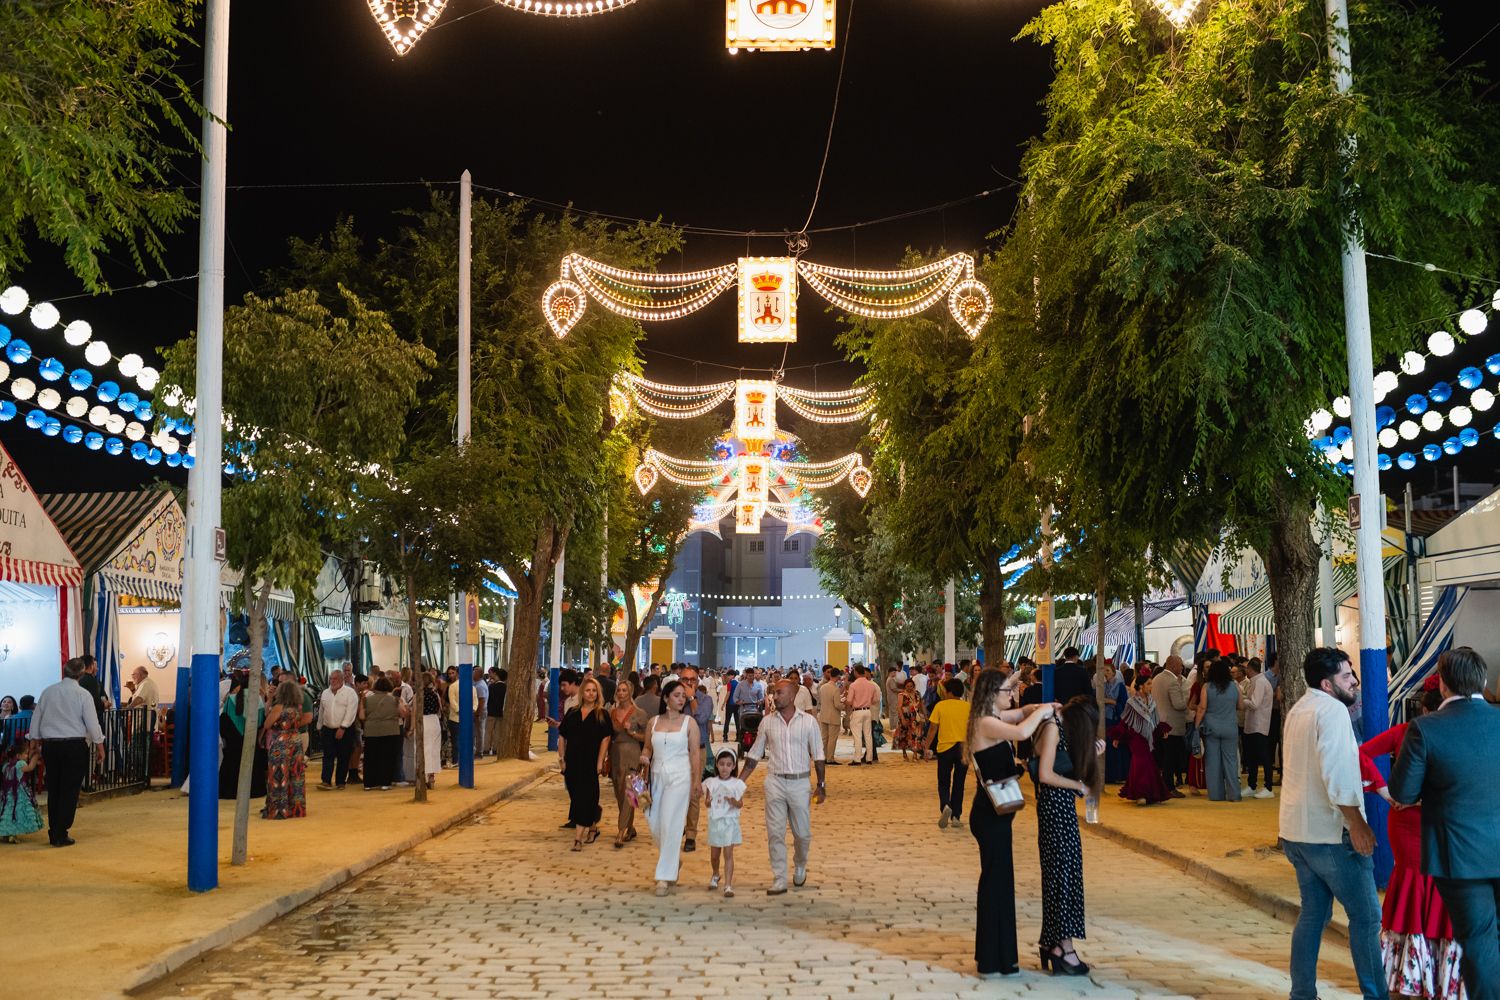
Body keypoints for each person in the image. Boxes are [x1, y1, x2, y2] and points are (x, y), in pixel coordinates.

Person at [1391, 647, 1500, 1000]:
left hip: (1459, 857)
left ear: (1444, 688)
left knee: (1479, 939)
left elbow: (1403, 793)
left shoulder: (1425, 729)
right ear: (1483, 682)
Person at [1279, 647, 1387, 1000]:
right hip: (1330, 834)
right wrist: (1356, 823)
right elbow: (1337, 773)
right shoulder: (1333, 711)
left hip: (1297, 832)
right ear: (1327, 684)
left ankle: (1303, 994)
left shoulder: (1299, 709)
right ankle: (1376, 995)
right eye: (1346, 676)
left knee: (1313, 914)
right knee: (1368, 917)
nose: (1354, 680)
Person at [1362, 683, 1466, 1000]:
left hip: (1436, 820)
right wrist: (1384, 793)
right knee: (1416, 882)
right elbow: (1361, 753)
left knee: (1434, 883)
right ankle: (1419, 974)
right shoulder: (1409, 731)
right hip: (1411, 822)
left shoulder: (1421, 730)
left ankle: (1422, 974)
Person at [966, 668, 1057, 978]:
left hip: (997, 817)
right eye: (1007, 691)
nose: (1012, 695)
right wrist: (1042, 710)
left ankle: (999, 955)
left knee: (1000, 884)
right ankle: (993, 958)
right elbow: (1021, 732)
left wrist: (1038, 707)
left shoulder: (993, 717)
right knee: (995, 885)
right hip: (989, 816)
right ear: (992, 694)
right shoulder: (986, 722)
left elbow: (1020, 715)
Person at [1032, 694, 1099, 976]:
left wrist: (1091, 753)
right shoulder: (1052, 728)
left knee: (1067, 874)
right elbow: (1045, 774)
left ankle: (1052, 942)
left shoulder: (1064, 729)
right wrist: (1077, 785)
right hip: (1053, 810)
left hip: (1063, 810)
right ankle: (1064, 947)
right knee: (1062, 877)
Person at [739, 679, 826, 895]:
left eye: (779, 693)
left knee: (802, 834)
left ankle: (799, 864)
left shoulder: (808, 722)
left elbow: (819, 755)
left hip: (800, 783)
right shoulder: (767, 722)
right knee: (775, 833)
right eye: (773, 693)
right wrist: (738, 783)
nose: (775, 697)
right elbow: (754, 755)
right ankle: (779, 877)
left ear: (792, 694)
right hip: (775, 782)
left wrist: (821, 785)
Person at [27, 657, 105, 846]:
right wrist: (100, 746)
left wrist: (34, 744)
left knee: (54, 787)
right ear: (80, 673)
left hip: (51, 746)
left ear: (65, 671)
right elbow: (92, 723)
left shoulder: (48, 692)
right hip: (74, 746)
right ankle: (61, 832)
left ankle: (54, 830)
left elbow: (36, 719)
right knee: (70, 790)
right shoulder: (83, 694)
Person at [639, 680, 701, 894]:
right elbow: (648, 747)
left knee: (670, 823)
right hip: (656, 777)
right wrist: (644, 757)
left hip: (680, 777)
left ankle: (664, 877)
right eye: (676, 695)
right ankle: (673, 861)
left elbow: (695, 754)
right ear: (665, 698)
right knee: (654, 822)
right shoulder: (653, 722)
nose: (681, 699)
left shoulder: (689, 723)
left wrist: (696, 781)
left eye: (683, 696)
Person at [558, 675, 614, 851]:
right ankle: (593, 826)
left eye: (594, 691)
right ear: (583, 692)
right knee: (576, 796)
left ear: (598, 694)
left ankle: (578, 839)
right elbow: (562, 736)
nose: (591, 694)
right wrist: (561, 759)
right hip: (572, 761)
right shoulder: (573, 712)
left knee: (586, 796)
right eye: (588, 690)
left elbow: (606, 739)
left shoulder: (602, 714)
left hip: (590, 761)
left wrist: (600, 761)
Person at [1110, 674, 1172, 805]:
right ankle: (1141, 794)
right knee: (1140, 761)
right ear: (1141, 686)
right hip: (1135, 737)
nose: (1151, 687)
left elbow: (1156, 720)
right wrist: (1117, 737)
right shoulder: (1131, 702)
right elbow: (1125, 721)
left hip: (1148, 737)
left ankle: (1151, 793)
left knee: (1148, 762)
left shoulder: (1152, 701)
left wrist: (1162, 730)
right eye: (1149, 684)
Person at [261, 680, 312, 818]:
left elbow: (267, 723)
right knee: (296, 775)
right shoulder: (298, 708)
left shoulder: (279, 707)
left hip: (281, 743)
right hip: (295, 740)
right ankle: (296, 809)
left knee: (279, 775)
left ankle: (279, 809)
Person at [608, 676, 648, 849]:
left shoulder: (639, 713)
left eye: (624, 690)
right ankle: (630, 827)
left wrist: (632, 733)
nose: (621, 693)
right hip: (615, 753)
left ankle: (621, 830)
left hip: (632, 752)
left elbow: (647, 737)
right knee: (618, 791)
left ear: (630, 692)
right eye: (619, 690)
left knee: (629, 791)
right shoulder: (611, 712)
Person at [678, 666, 715, 853]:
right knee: (676, 792)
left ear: (698, 681)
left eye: (692, 679)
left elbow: (700, 719)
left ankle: (691, 834)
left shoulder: (705, 700)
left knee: (693, 792)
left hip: (696, 752)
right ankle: (678, 827)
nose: (689, 683)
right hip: (676, 752)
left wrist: (691, 698)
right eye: (685, 680)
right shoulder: (674, 699)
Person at [1195, 657, 1242, 802]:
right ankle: (1234, 794)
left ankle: (1216, 795)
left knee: (1213, 762)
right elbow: (1241, 706)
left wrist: (1196, 725)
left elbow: (1202, 707)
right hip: (1230, 727)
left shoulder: (1207, 687)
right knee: (1231, 761)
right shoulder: (1235, 686)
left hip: (1211, 729)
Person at [703, 748, 746, 898]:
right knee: (715, 855)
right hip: (715, 822)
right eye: (721, 764)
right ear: (716, 765)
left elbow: (740, 804)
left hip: (729, 822)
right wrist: (709, 801)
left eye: (728, 764)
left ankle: (728, 885)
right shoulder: (711, 783)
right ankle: (716, 873)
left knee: (728, 853)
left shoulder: (737, 784)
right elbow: (707, 803)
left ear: (734, 766)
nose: (725, 767)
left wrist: (733, 801)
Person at [929, 679, 971, 829]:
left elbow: (933, 728)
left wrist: (926, 746)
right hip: (963, 748)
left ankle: (946, 805)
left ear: (950, 692)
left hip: (945, 748)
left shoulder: (940, 706)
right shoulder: (967, 707)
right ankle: (956, 817)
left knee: (944, 782)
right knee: (959, 783)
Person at [219, 671, 267, 800]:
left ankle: (230, 792)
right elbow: (262, 721)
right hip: (251, 739)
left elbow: (224, 720)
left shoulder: (231, 699)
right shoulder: (258, 699)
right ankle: (255, 791)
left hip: (234, 743)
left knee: (232, 766)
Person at [1151, 655, 1189, 795]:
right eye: (1180, 665)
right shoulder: (1172, 681)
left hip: (1159, 722)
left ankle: (1163, 785)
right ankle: (1169, 787)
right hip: (1172, 724)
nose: (1182, 668)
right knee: (1171, 758)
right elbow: (1178, 704)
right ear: (1173, 666)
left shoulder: (1156, 678)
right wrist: (1190, 700)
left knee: (1163, 757)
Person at [359, 676, 404, 790]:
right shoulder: (394, 700)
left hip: (371, 731)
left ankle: (369, 783)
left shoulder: (367, 700)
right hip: (390, 731)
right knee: (387, 757)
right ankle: (385, 783)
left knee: (370, 758)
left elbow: (362, 716)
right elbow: (403, 714)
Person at [317, 669, 359, 790]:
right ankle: (326, 780)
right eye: (331, 678)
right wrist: (319, 726)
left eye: (335, 679)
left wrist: (343, 727)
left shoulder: (350, 693)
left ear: (341, 680)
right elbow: (321, 711)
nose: (332, 681)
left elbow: (351, 712)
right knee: (328, 755)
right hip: (327, 728)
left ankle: (341, 781)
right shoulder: (325, 693)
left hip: (345, 729)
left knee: (343, 755)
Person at [1242, 658, 1275, 798]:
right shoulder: (1255, 681)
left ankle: (1268, 787)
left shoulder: (1260, 682)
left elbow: (1255, 703)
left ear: (1250, 669)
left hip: (1259, 724)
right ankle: (1252, 785)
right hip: (1252, 724)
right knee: (1251, 757)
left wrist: (1242, 699)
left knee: (1264, 756)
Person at [0, 742, 44, 842]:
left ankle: (6, 833)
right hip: (18, 795)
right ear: (18, 756)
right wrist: (36, 756)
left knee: (7, 814)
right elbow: (30, 768)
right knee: (17, 814)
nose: (27, 756)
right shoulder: (20, 764)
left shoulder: (6, 766)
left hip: (7, 796)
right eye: (25, 753)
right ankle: (12, 834)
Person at [845, 665, 880, 765]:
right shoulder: (871, 685)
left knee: (857, 736)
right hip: (868, 711)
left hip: (857, 711)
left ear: (856, 672)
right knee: (868, 735)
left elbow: (849, 701)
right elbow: (875, 700)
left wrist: (845, 701)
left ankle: (857, 759)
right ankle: (869, 758)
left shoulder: (853, 685)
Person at [1100, 663, 1129, 784]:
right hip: (1105, 719)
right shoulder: (1103, 685)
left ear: (1113, 672)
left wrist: (1110, 701)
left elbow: (1124, 703)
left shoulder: (1120, 686)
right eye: (1104, 670)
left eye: (1107, 670)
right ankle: (1108, 775)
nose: (1105, 673)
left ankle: (1118, 775)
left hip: (1116, 719)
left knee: (1116, 746)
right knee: (1107, 747)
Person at [418, 671, 442, 789]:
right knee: (434, 749)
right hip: (434, 721)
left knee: (425, 749)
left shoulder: (419, 695)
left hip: (423, 721)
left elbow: (415, 711)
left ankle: (425, 777)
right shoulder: (435, 694)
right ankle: (432, 776)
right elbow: (440, 709)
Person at [816, 667, 844, 764]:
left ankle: (823, 757)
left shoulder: (823, 687)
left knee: (824, 738)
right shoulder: (835, 689)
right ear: (837, 676)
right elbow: (837, 705)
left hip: (823, 714)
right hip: (833, 716)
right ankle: (830, 758)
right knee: (832, 738)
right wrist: (844, 705)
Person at [894, 679, 926, 760]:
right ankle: (904, 752)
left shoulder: (917, 694)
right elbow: (899, 707)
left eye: (911, 686)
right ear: (905, 686)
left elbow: (921, 705)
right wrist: (902, 719)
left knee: (917, 735)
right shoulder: (901, 695)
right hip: (906, 717)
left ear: (913, 686)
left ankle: (915, 754)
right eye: (907, 686)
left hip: (916, 718)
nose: (909, 688)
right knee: (904, 735)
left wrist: (925, 715)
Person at [486, 668, 507, 758]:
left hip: (491, 712)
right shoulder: (506, 688)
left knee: (488, 731)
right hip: (500, 713)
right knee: (498, 731)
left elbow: (488, 699)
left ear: (497, 675)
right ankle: (496, 749)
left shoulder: (491, 687)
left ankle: (486, 749)